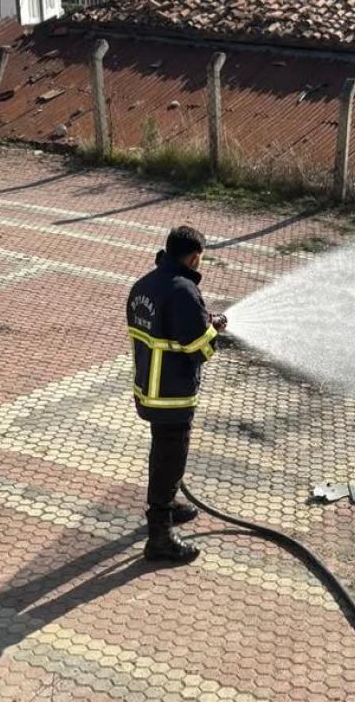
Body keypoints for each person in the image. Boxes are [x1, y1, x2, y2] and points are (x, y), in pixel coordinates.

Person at [126, 225, 227, 563]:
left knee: (164, 452)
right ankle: (160, 536)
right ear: (195, 257)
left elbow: (166, 329)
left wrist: (203, 321)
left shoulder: (143, 286)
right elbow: (200, 349)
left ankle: (168, 505)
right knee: (170, 457)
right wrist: (213, 331)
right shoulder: (184, 291)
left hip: (148, 389)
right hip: (172, 395)